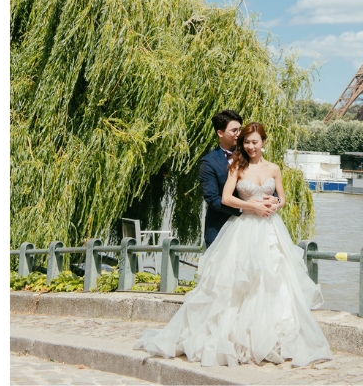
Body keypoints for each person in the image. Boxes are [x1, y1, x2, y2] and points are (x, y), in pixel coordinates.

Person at [137, 122, 332, 367]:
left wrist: (275, 204)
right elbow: (226, 197)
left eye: (255, 142)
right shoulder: (237, 168)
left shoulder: (274, 168)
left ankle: (273, 337)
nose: (251, 146)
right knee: (239, 282)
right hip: (245, 227)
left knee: (274, 280)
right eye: (247, 142)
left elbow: (282, 198)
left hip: (271, 229)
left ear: (263, 142)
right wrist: (253, 206)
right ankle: (238, 340)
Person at [198, 109, 276, 247]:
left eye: (240, 129)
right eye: (234, 130)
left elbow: (265, 183)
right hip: (220, 229)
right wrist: (247, 209)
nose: (239, 134)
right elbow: (212, 199)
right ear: (220, 133)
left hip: (255, 228)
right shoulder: (208, 162)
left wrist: (276, 199)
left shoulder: (250, 152)